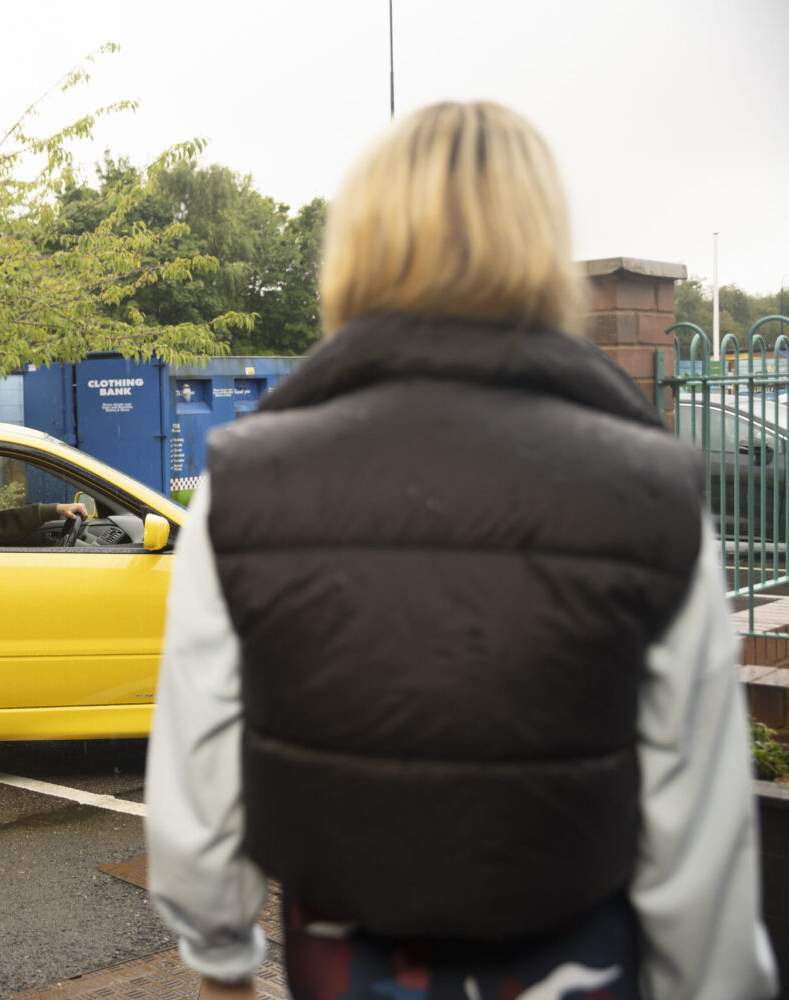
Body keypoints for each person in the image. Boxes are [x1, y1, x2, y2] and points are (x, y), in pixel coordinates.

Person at [144, 101, 778, 1000]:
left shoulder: (243, 486)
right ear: (538, 241)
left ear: (358, 241)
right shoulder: (654, 492)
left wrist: (219, 963)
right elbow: (700, 844)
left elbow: (199, 787)